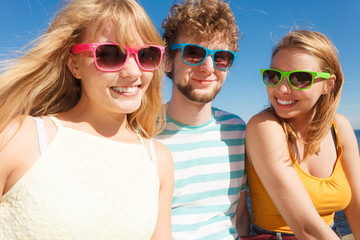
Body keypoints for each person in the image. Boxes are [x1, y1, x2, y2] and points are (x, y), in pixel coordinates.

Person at [0, 0, 174, 239]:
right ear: (74, 65)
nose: (133, 72)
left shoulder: (158, 160)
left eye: (146, 55)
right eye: (110, 54)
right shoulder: (16, 137)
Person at [245, 29, 360, 240]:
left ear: (328, 84)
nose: (281, 89)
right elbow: (306, 227)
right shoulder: (264, 127)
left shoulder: (340, 127)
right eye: (274, 76)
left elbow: (357, 208)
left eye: (299, 78)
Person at [154, 0, 250, 239]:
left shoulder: (238, 131)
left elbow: (239, 217)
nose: (208, 67)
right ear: (167, 60)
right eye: (194, 53)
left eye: (222, 57)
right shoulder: (139, 130)